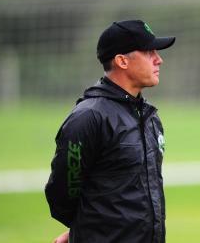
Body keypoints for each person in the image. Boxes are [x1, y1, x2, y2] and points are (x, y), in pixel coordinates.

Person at [45, 19, 175, 243]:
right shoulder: (89, 117)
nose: (159, 59)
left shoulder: (149, 116)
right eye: (148, 52)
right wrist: (85, 230)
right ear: (122, 61)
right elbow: (62, 194)